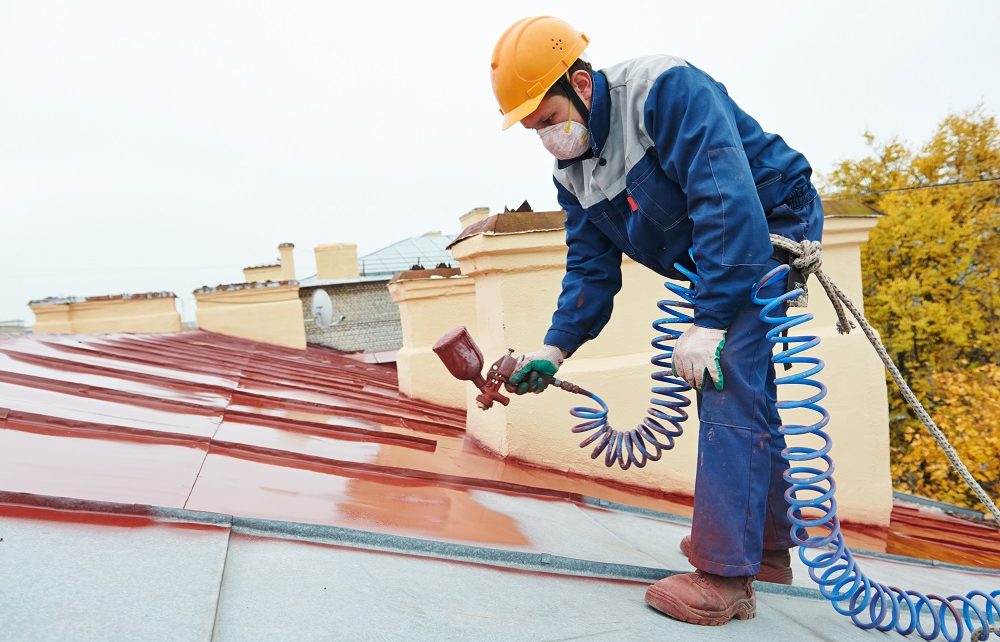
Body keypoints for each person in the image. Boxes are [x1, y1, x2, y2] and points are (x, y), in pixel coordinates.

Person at [490, 16, 824, 626]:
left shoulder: (665, 91)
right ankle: (768, 548)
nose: (546, 138)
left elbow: (727, 200)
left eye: (548, 120)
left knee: (723, 375)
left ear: (583, 86)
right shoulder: (574, 174)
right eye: (534, 130)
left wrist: (712, 320)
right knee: (743, 377)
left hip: (768, 222)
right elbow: (590, 273)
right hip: (715, 244)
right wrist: (554, 349)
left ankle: (726, 577)